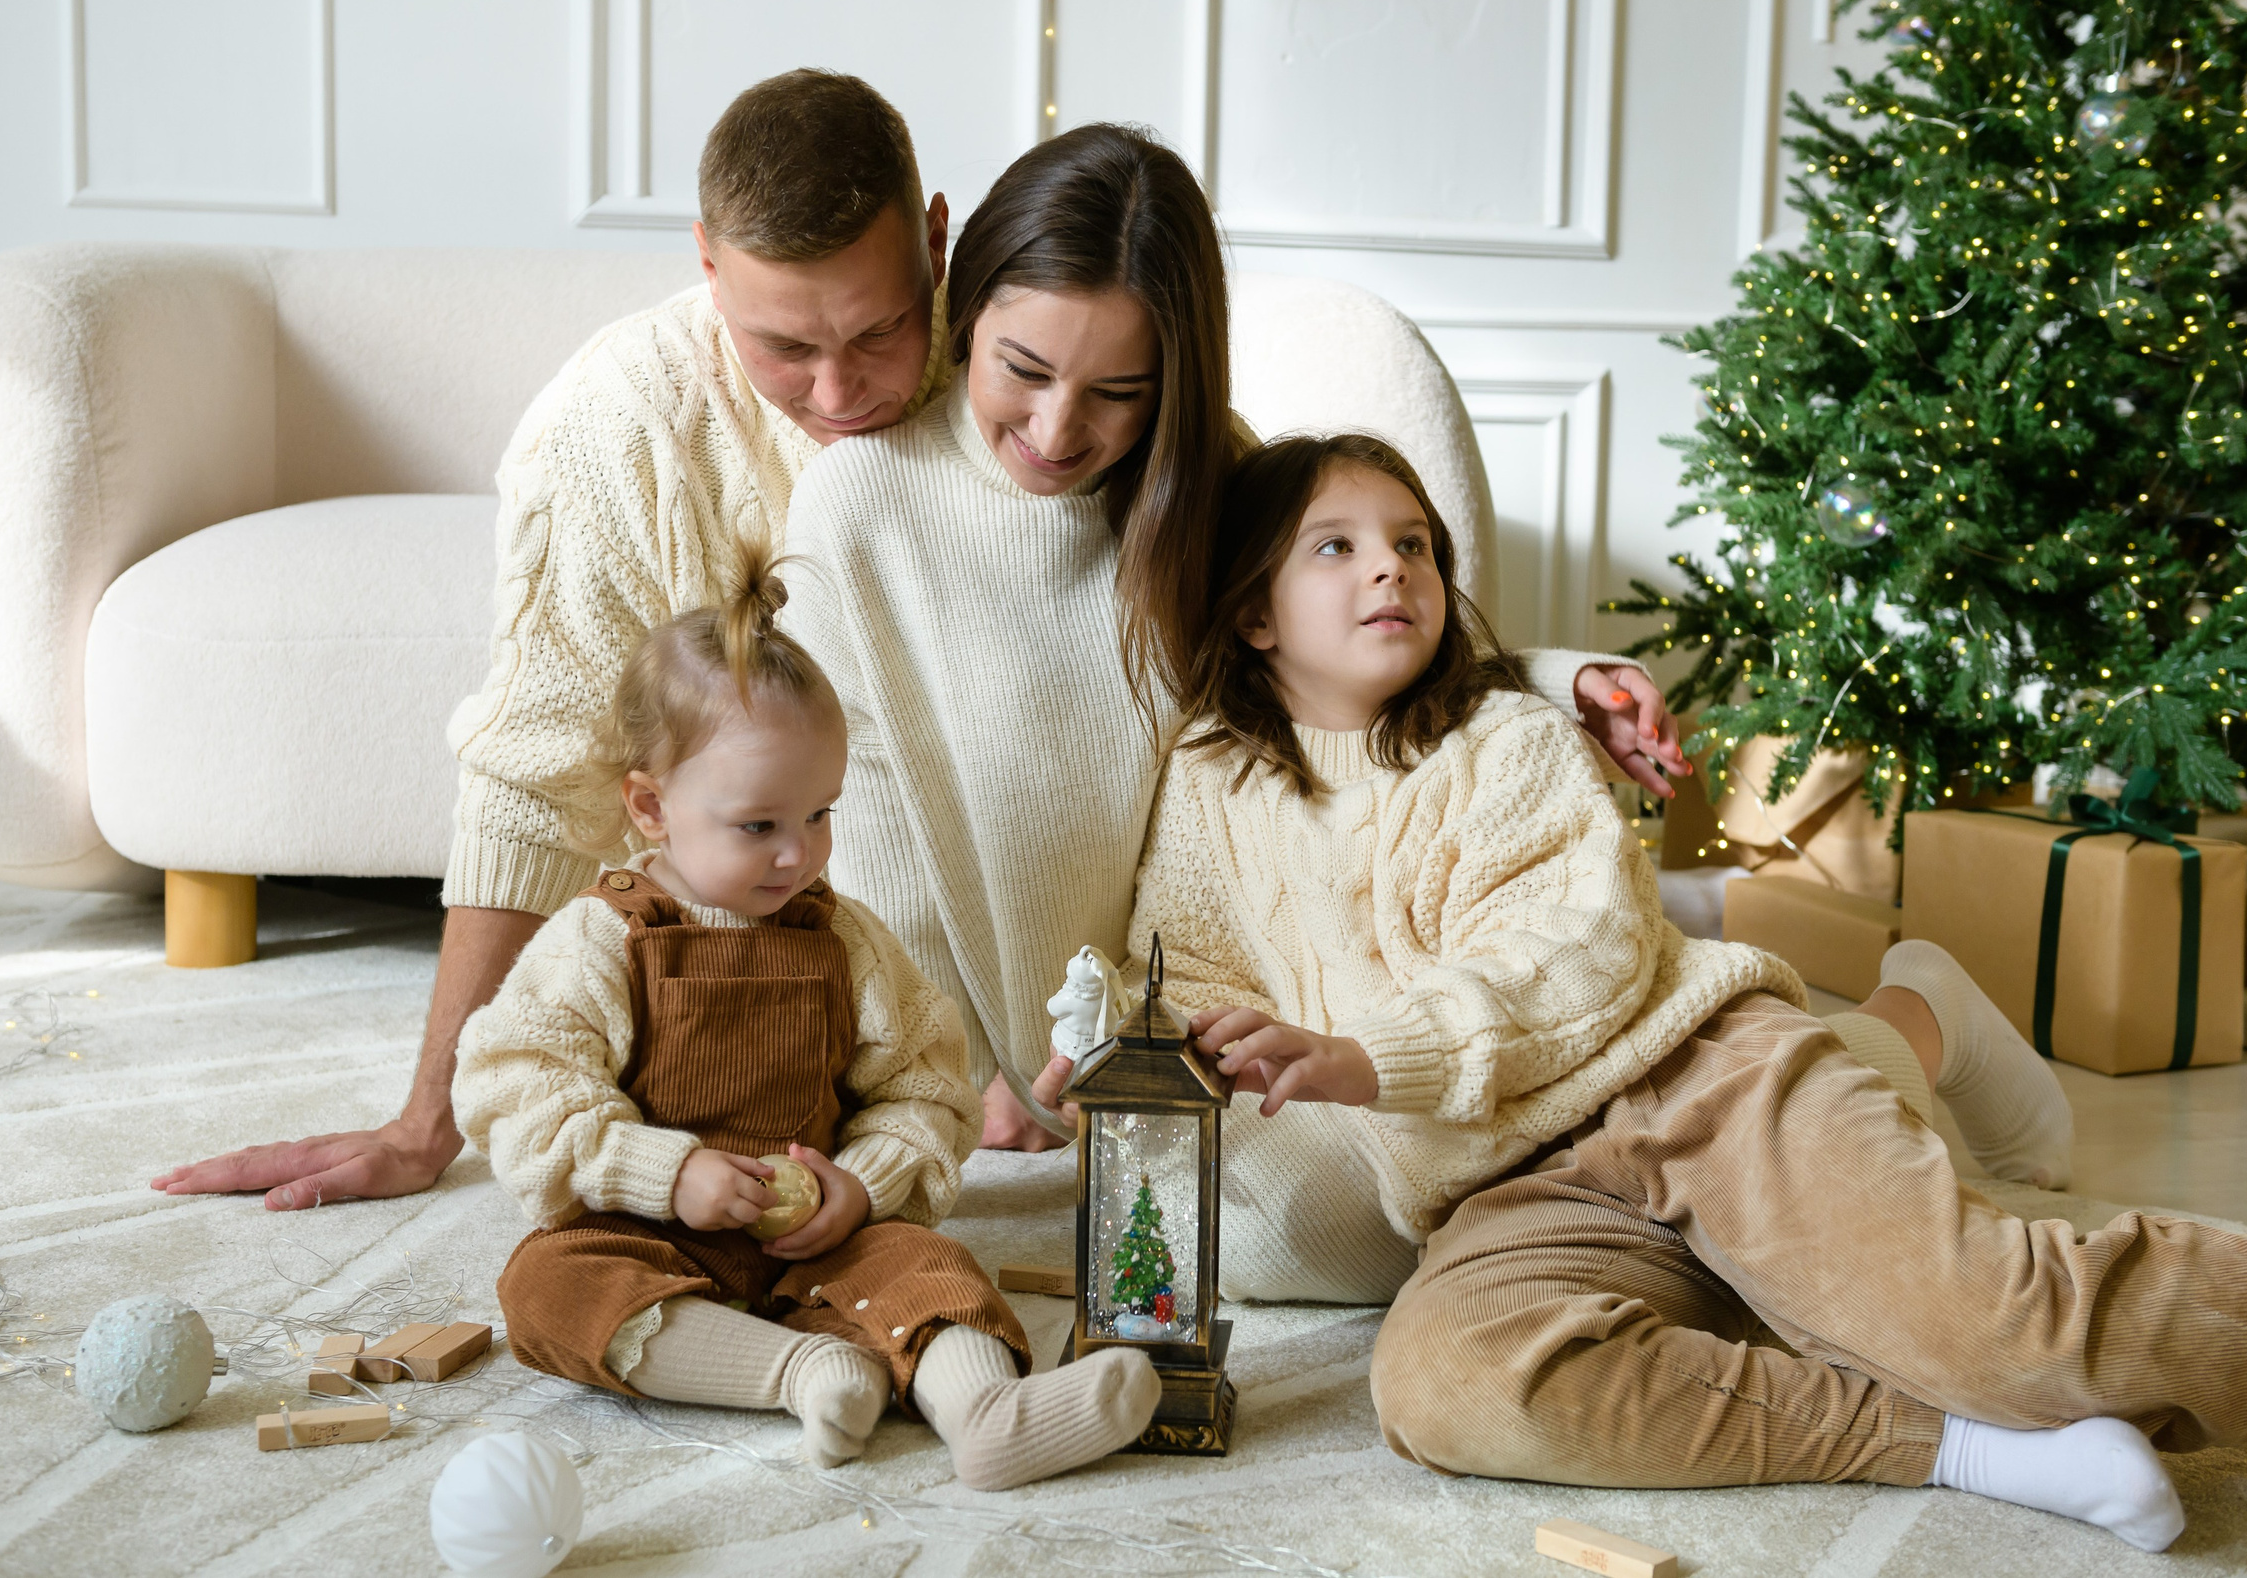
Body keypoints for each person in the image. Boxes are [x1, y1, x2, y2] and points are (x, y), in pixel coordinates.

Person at [151, 77, 1689, 1205]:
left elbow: (1315, 593)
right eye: (784, 348)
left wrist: (1546, 679)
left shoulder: (1109, 419)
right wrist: (432, 1110)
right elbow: (545, 771)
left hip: (1098, 1009)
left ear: (939, 259)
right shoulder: (634, 436)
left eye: (880, 333)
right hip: (839, 969)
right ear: (705, 269)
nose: (837, 390)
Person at [1137, 432, 2247, 1550]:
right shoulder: (1211, 784)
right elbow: (1177, 978)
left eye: (1415, 542)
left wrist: (1367, 1053)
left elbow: (1580, 952)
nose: (1392, 567)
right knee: (1449, 1380)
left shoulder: (1511, 737)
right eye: (1340, 545)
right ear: (1255, 611)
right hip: (1502, 1190)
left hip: (1694, 1075)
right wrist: (1091, 1074)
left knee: (2012, 1324)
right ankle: (1964, 1447)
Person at [776, 122, 1684, 1156]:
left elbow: (1340, 659)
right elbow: (863, 832)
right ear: (965, 311)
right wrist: (944, 1072)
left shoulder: (1205, 485)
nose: (1058, 427)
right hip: (959, 1095)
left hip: (1174, 1064)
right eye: (1021, 368)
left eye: (1119, 391)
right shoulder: (859, 505)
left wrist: (1559, 681)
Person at [451, 544, 1159, 1489]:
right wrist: (668, 1174)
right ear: (651, 807)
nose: (799, 857)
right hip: (649, 1230)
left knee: (927, 1264)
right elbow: (517, 1086)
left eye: (820, 815)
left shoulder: (844, 940)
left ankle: (987, 1415)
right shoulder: (599, 940)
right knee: (548, 1288)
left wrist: (860, 1188)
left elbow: (925, 1086)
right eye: (759, 826)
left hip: (824, 1236)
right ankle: (802, 1372)